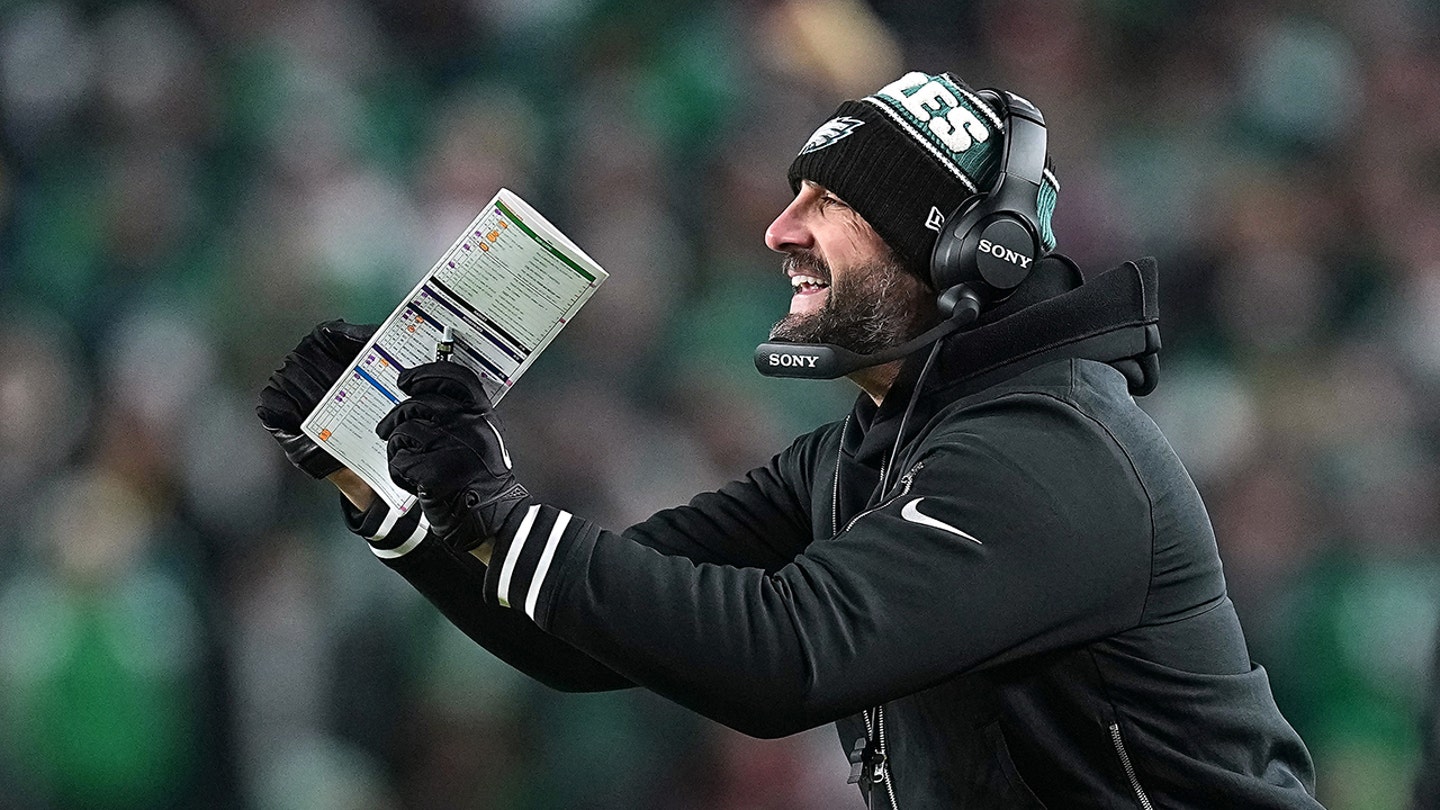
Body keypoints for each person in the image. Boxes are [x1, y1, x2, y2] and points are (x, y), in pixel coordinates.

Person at [258, 71, 1323, 807]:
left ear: (967, 252)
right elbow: (582, 636)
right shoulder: (868, 453)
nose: (780, 230)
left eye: (829, 202)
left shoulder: (1050, 453)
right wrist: (386, 484)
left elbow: (784, 658)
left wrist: (498, 508)